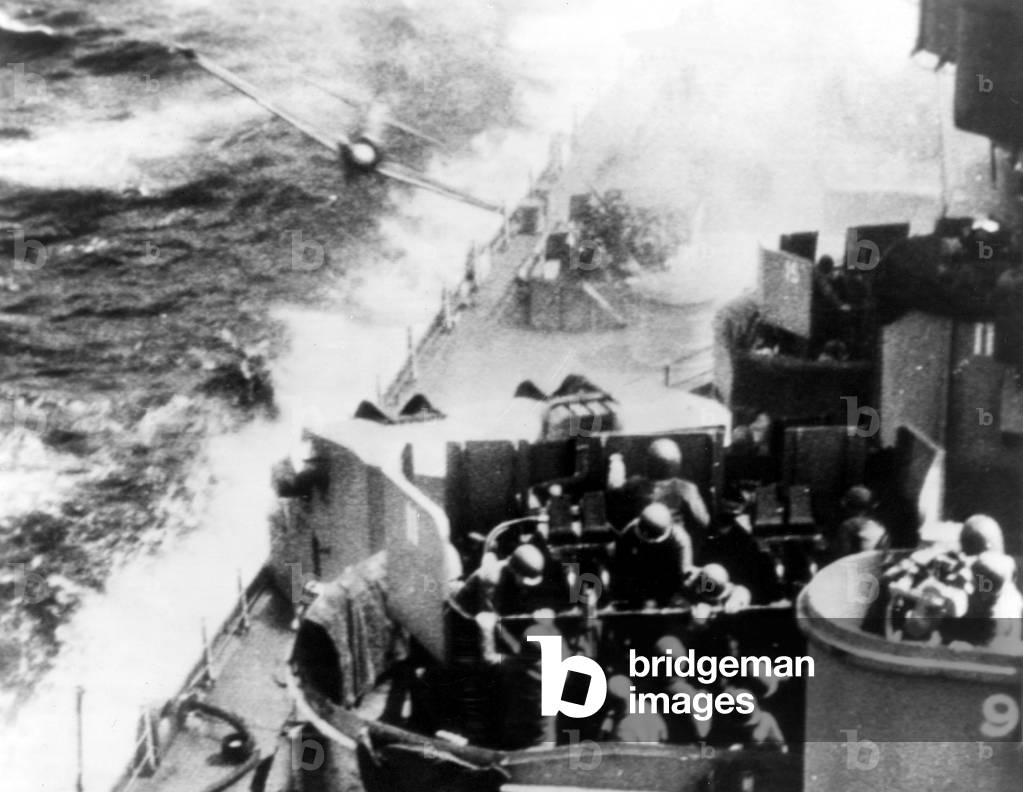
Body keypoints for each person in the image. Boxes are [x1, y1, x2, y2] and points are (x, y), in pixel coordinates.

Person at [606, 439, 711, 550]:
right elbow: (703, 521)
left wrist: (616, 460)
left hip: (640, 543)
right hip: (673, 544)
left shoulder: (634, 484)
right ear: (676, 463)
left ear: (648, 462)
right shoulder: (686, 488)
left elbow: (614, 493)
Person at [452, 545, 548, 663]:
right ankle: (491, 661)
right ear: (515, 570)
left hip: (491, 612)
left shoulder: (509, 573)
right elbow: (488, 620)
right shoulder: (492, 578)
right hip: (465, 616)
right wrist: (514, 650)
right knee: (487, 622)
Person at [612, 503, 694, 606]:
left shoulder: (680, 538)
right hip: (640, 577)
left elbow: (685, 571)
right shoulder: (630, 532)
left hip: (669, 579)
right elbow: (621, 566)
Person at [829, 485, 889, 561]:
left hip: (858, 566)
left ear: (849, 506)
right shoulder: (879, 524)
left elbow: (843, 555)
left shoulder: (848, 525)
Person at [682, 563, 752, 615]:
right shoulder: (687, 578)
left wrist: (737, 599)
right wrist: (698, 616)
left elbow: (742, 591)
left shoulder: (722, 587)